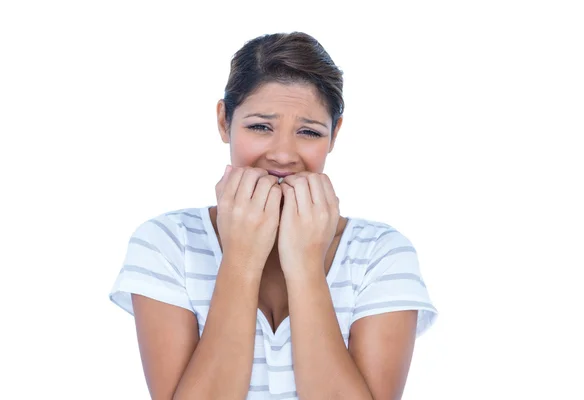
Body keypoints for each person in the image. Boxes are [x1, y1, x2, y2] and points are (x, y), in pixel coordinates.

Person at [109, 31, 438, 400]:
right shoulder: (167, 244)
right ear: (224, 121)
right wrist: (242, 259)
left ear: (334, 135)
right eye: (260, 127)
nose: (283, 155)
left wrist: (306, 266)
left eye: (309, 132)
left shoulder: (381, 253)